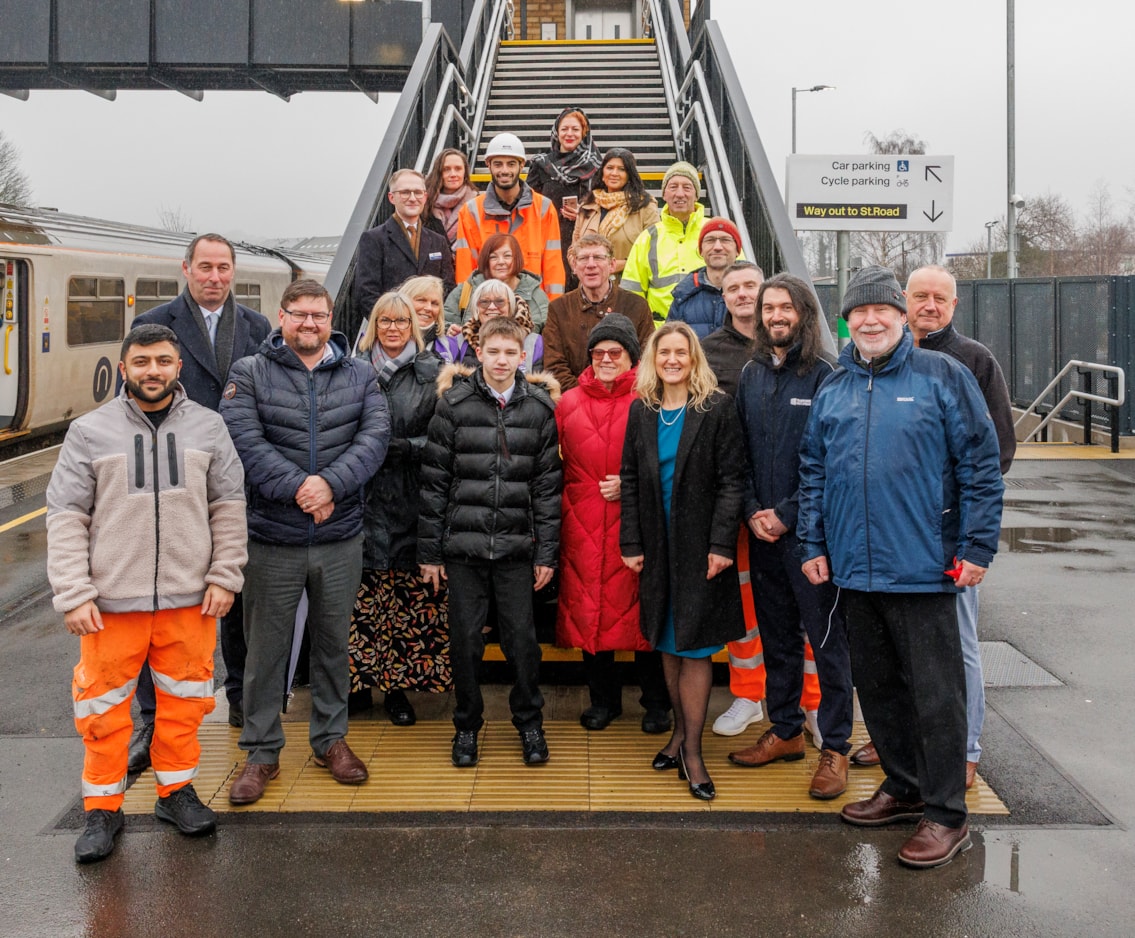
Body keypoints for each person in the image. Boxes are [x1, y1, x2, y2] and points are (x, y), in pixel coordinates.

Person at [797, 265, 1004, 869]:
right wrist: (812, 544)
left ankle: (946, 814)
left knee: (937, 696)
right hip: (854, 571)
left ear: (900, 317)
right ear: (847, 321)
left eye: (881, 310)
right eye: (859, 312)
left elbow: (980, 467)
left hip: (925, 567)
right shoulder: (834, 387)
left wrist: (977, 547)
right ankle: (905, 784)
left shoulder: (944, 377)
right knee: (880, 691)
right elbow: (813, 472)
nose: (869, 320)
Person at [47, 323, 247, 863]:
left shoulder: (209, 428)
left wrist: (225, 576)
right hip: (110, 604)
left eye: (162, 361)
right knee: (103, 711)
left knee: (185, 707)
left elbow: (228, 506)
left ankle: (174, 792)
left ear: (177, 367)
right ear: (124, 369)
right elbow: (67, 516)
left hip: (190, 600)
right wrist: (74, 592)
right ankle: (102, 810)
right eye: (141, 362)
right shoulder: (89, 431)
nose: (152, 371)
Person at [220, 279, 389, 805]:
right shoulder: (250, 373)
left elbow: (375, 437)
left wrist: (331, 484)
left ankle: (329, 740)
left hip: (340, 538)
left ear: (330, 316)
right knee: (265, 650)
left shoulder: (360, 375)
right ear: (282, 316)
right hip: (273, 538)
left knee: (333, 644)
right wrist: (300, 488)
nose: (309, 323)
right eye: (299, 314)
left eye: (318, 314)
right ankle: (262, 751)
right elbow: (243, 440)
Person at [850, 265, 1017, 787]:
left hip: (942, 540)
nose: (930, 305)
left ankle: (963, 751)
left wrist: (968, 536)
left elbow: (995, 456)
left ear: (954, 304)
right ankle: (895, 742)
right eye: (920, 296)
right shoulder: (861, 362)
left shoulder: (970, 362)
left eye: (939, 299)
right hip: (886, 539)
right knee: (892, 650)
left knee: (957, 649)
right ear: (904, 302)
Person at [128, 233, 270, 769]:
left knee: (230, 593)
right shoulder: (156, 322)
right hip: (174, 480)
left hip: (238, 478)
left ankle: (238, 699)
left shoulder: (256, 328)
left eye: (224, 268)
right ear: (185, 269)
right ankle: (152, 720)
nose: (215, 277)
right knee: (160, 601)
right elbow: (137, 393)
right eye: (205, 267)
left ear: (234, 272)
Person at [723, 272, 854, 800]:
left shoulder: (827, 375)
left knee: (826, 643)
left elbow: (831, 460)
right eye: (768, 307)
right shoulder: (753, 374)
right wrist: (755, 510)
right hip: (763, 532)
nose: (776, 316)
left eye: (786, 308)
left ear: (804, 313)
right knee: (776, 635)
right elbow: (743, 450)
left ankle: (837, 747)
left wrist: (789, 514)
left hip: (811, 536)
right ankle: (784, 730)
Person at [418, 316, 562, 768]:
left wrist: (546, 553)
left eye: (510, 353)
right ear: (478, 352)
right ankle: (467, 726)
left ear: (523, 356)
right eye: (493, 351)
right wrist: (430, 553)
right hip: (464, 550)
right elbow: (435, 483)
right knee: (465, 642)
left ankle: (529, 722)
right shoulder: (454, 404)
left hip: (517, 550)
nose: (501, 361)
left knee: (523, 641)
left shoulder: (539, 409)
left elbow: (546, 487)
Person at [620, 321, 746, 801]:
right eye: (664, 352)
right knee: (668, 643)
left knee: (695, 646)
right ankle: (678, 733)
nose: (673, 359)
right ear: (653, 358)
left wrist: (720, 545)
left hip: (700, 546)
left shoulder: (715, 409)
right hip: (656, 545)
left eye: (681, 352)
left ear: (694, 359)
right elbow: (629, 478)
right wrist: (631, 542)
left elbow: (733, 481)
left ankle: (692, 751)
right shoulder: (642, 411)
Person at [555, 316, 670, 733]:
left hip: (635, 520)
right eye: (598, 352)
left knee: (643, 612)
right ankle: (603, 702)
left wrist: (633, 482)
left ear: (632, 358)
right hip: (582, 518)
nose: (605, 359)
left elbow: (668, 459)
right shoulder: (568, 402)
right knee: (590, 611)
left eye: (615, 353)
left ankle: (657, 703)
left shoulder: (651, 399)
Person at [348, 292, 448, 725]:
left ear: (415, 326)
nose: (392, 328)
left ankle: (397, 690)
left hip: (411, 497)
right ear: (374, 325)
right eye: (384, 321)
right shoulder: (350, 371)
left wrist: (400, 448)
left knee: (405, 602)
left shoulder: (433, 374)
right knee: (359, 601)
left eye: (401, 321)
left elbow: (444, 439)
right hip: (360, 501)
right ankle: (355, 687)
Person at [454, 133, 566, 302]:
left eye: (511, 164)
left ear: (522, 166)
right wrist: (466, 310)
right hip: (488, 306)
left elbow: (553, 265)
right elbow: (465, 269)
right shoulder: (471, 211)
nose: (504, 170)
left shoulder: (544, 208)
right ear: (488, 165)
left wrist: (553, 309)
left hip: (533, 305)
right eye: (498, 164)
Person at [543, 233, 655, 392]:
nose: (590, 264)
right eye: (583, 258)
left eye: (598, 257)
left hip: (626, 401)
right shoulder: (559, 309)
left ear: (612, 265)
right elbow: (554, 365)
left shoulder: (636, 306)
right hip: (576, 403)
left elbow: (646, 361)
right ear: (574, 266)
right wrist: (584, 396)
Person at [353, 167, 456, 325]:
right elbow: (367, 292)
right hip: (392, 331)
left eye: (418, 192)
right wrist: (390, 323)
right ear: (391, 197)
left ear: (425, 196)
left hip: (430, 330)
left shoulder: (438, 241)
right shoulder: (374, 239)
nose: (413, 198)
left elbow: (447, 287)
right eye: (405, 192)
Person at [525, 106, 603, 288]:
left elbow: (605, 205)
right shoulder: (541, 164)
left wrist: (584, 215)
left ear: (584, 133)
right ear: (556, 132)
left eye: (575, 129)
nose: (570, 134)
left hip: (583, 240)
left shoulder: (596, 166)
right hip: (547, 238)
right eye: (564, 129)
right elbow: (527, 202)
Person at [621, 161, 708, 322]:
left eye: (687, 187)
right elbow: (631, 295)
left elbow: (739, 279)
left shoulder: (716, 233)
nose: (680, 194)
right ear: (664, 194)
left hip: (709, 334)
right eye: (673, 187)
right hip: (661, 335)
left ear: (696, 195)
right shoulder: (648, 238)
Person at [572, 148, 660, 278]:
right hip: (589, 286)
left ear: (630, 174)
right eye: (610, 168)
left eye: (621, 169)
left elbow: (654, 250)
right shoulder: (588, 205)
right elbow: (573, 248)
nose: (614, 173)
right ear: (602, 172)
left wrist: (619, 264)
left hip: (628, 286)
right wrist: (580, 266)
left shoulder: (645, 206)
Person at [444, 232, 550, 332]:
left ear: (517, 259)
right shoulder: (467, 290)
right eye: (493, 257)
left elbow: (549, 335)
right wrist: (451, 330)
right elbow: (443, 323)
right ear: (486, 261)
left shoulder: (535, 295)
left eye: (507, 256)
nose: (501, 262)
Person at [668, 217, 743, 340]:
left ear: (737, 250)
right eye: (710, 240)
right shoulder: (683, 296)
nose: (717, 247)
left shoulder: (754, 295)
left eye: (725, 240)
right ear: (701, 251)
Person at [446, 279, 545, 373]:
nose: (492, 307)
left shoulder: (535, 343)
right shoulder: (459, 342)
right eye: (484, 302)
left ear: (511, 306)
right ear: (476, 308)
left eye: (500, 302)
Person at [700, 260, 764, 399]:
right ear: (725, 297)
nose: (741, 294)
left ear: (764, 291)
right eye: (733, 289)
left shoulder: (785, 343)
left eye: (750, 286)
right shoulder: (706, 352)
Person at [423, 148, 479, 247]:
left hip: (468, 260)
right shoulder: (425, 203)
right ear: (438, 173)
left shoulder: (477, 203)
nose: (453, 174)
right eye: (446, 169)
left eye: (458, 169)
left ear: (465, 172)